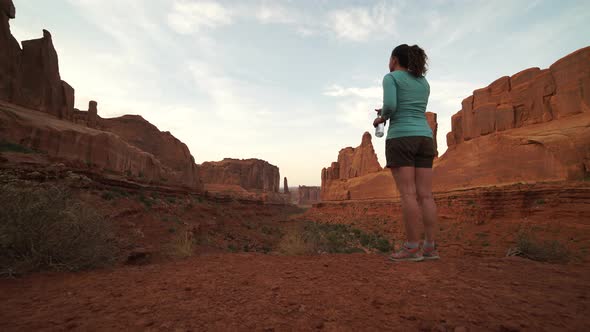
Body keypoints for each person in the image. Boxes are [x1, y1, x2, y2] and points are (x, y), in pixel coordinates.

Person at [373, 44, 438, 262]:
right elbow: (413, 107)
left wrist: (382, 117)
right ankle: (429, 247)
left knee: (408, 194)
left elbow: (391, 105)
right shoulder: (423, 82)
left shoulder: (391, 78)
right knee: (426, 195)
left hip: (402, 137)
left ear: (394, 59)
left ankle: (411, 248)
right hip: (425, 137)